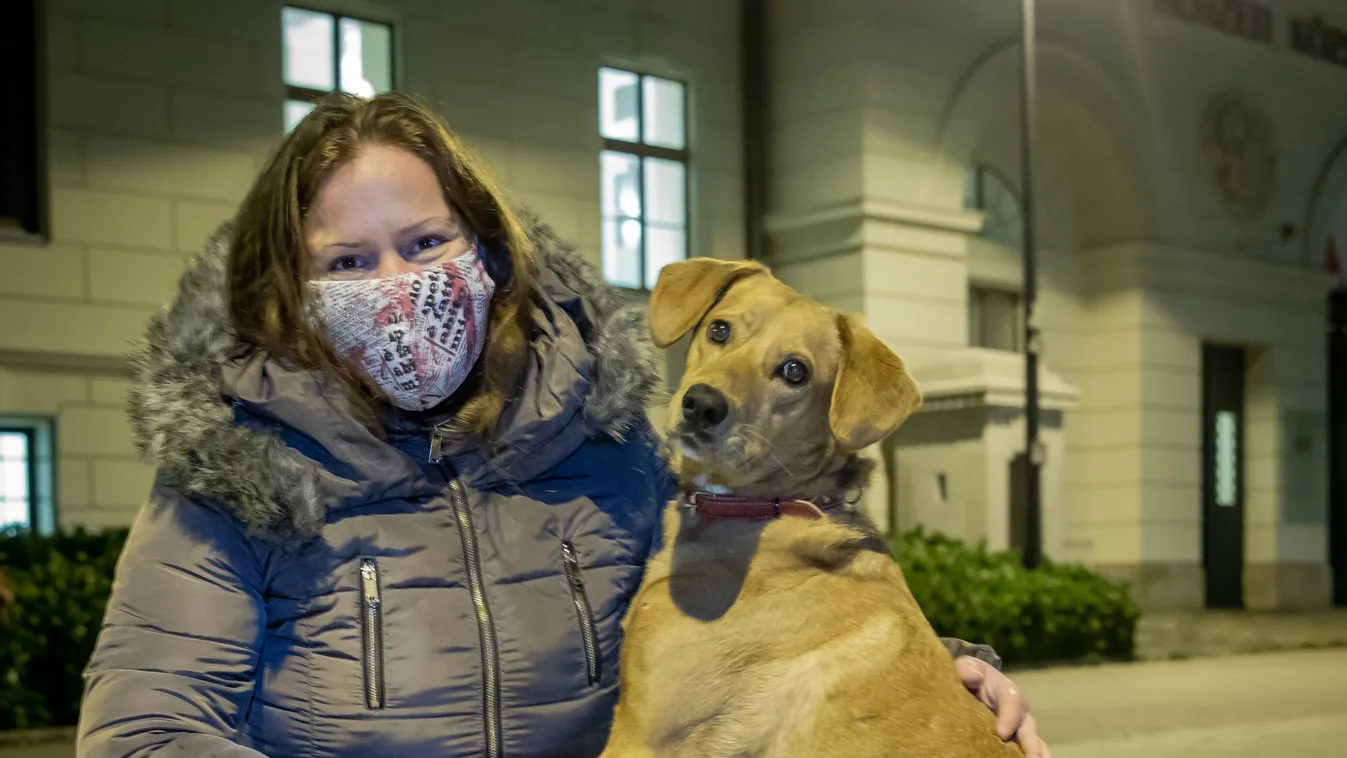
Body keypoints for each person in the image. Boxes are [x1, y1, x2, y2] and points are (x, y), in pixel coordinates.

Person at [75, 93, 1050, 758]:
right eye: (347, 261)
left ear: (486, 247)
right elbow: (144, 730)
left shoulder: (607, 444)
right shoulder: (231, 476)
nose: (397, 287)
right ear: (291, 287)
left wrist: (943, 672)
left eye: (424, 242)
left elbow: (752, 617)